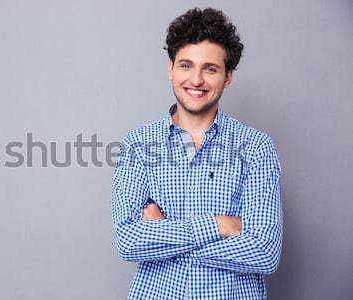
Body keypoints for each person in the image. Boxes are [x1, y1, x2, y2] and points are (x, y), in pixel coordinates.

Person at [111, 7, 283, 300]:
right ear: (170, 69)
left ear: (228, 76)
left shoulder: (256, 147)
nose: (197, 80)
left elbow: (265, 252)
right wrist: (221, 225)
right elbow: (128, 242)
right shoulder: (138, 145)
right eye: (186, 65)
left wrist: (165, 233)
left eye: (211, 69)